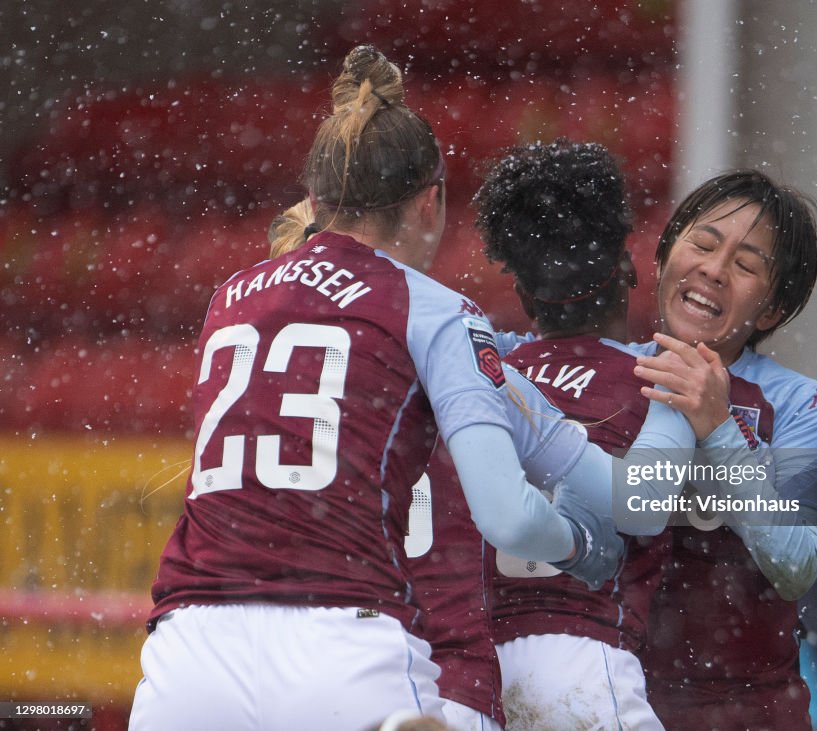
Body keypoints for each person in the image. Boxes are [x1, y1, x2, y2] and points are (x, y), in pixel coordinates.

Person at [126, 45, 690, 731]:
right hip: (343, 646)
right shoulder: (435, 311)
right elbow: (511, 514)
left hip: (191, 648)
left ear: (316, 201)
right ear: (431, 202)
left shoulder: (229, 296)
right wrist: (582, 544)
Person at [631, 169, 817, 730]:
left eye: (746, 265)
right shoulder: (607, 372)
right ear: (663, 256)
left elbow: (795, 560)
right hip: (604, 700)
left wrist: (719, 429)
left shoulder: (802, 405)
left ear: (772, 310)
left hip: (746, 714)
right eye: (701, 244)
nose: (714, 270)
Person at [474, 139, 670, 729]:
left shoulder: (476, 374)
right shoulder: (667, 381)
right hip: (586, 664)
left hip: (474, 671)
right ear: (632, 269)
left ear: (522, 293)